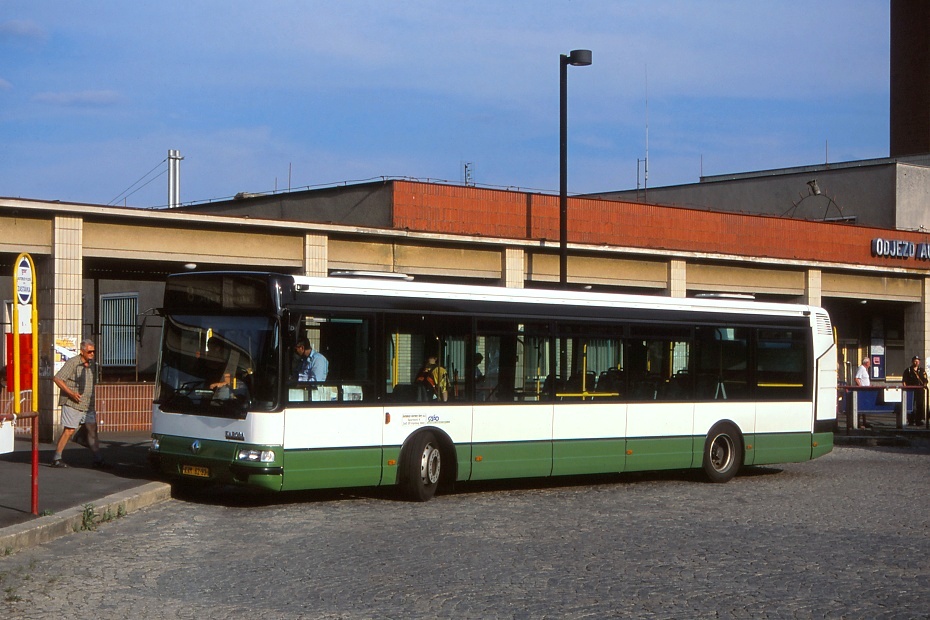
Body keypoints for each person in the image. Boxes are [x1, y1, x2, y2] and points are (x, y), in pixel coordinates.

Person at [51, 339, 108, 468]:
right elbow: (58, 378)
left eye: (93, 351)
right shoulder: (73, 363)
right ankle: (56, 457)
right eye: (89, 351)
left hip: (88, 404)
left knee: (92, 429)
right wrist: (71, 393)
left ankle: (98, 459)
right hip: (73, 403)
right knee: (69, 430)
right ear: (82, 352)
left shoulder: (92, 364)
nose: (92, 354)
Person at [902, 355, 928, 425]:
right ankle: (910, 420)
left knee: (920, 404)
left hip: (919, 390)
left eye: (918, 361)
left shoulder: (922, 370)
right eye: (915, 361)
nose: (916, 362)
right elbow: (904, 380)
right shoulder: (908, 370)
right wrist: (906, 388)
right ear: (912, 361)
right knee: (911, 405)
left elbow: (925, 380)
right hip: (911, 390)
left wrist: (924, 385)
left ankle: (919, 420)